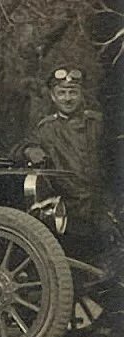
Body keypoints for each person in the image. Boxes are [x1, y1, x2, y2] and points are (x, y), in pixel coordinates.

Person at [10, 66, 122, 270]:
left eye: (73, 92)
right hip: (70, 213)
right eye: (61, 93)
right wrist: (29, 150)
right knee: (77, 269)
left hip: (103, 206)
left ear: (81, 94)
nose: (67, 98)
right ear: (53, 97)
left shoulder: (98, 123)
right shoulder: (46, 129)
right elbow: (17, 149)